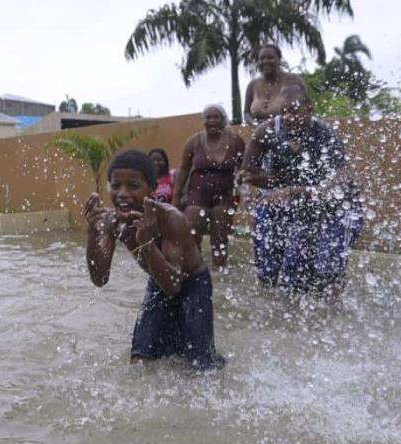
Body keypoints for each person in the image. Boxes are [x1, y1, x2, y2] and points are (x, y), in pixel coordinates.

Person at [84, 150, 225, 370]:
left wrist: (146, 242)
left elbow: (174, 286)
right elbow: (100, 278)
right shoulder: (114, 222)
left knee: (200, 367)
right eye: (115, 185)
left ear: (152, 189)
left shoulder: (170, 220)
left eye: (133, 186)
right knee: (140, 362)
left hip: (193, 285)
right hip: (158, 282)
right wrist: (92, 235)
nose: (122, 193)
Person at [240, 84, 363, 296]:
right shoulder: (267, 131)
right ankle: (272, 293)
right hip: (298, 205)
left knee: (328, 269)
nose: (288, 117)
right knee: (287, 269)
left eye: (294, 111)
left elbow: (343, 180)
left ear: (310, 109)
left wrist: (291, 190)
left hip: (336, 207)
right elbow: (247, 173)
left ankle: (333, 307)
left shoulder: (324, 133)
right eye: (283, 112)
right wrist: (277, 182)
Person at [173, 105, 245, 270]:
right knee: (192, 234)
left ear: (223, 119)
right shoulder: (193, 141)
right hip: (198, 194)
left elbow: (243, 167)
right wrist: (176, 197)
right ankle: (195, 272)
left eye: (216, 117)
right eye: (208, 118)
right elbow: (183, 169)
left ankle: (220, 274)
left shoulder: (236, 141)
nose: (212, 121)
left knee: (220, 239)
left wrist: (239, 187)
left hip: (225, 195)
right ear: (203, 121)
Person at [243, 44, 304, 125]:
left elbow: (304, 108)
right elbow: (246, 113)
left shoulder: (293, 80)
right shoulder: (252, 85)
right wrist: (254, 124)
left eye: (270, 58)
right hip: (258, 132)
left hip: (286, 130)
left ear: (279, 59)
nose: (265, 61)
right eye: (261, 59)